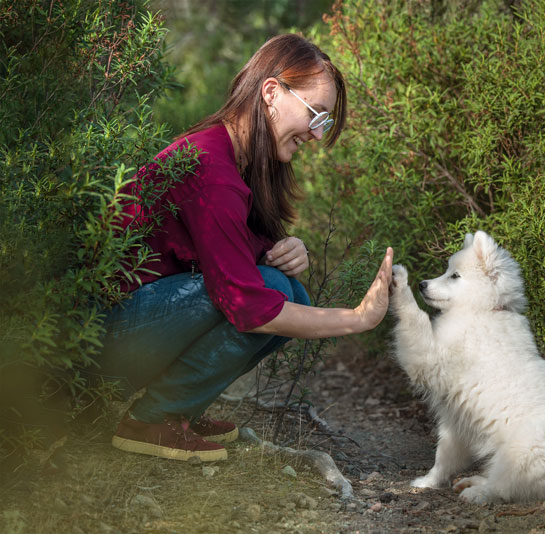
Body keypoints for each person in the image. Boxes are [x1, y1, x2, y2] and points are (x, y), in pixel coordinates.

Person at [92, 34, 393, 462]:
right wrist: (358, 319)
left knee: (290, 289)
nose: (315, 133)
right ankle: (149, 420)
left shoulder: (236, 159)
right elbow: (246, 305)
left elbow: (231, 248)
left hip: (135, 323)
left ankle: (179, 410)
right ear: (271, 92)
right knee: (272, 291)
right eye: (315, 115)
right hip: (97, 338)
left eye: (323, 123)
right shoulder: (212, 168)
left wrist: (284, 249)